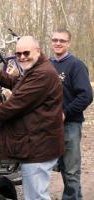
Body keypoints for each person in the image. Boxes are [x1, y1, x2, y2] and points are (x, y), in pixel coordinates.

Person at [0, 36, 64, 200]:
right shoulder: (37, 69)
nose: (22, 57)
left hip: (39, 146)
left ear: (37, 51)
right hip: (38, 144)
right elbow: (18, 83)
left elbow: (14, 105)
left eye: (26, 53)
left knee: (36, 197)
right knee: (35, 194)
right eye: (18, 54)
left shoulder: (42, 74)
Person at [50, 29, 93, 200]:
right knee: (55, 166)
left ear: (68, 43)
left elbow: (86, 96)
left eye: (62, 40)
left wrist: (65, 113)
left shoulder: (76, 65)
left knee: (71, 170)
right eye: (55, 40)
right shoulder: (47, 64)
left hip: (70, 125)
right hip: (48, 125)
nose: (58, 43)